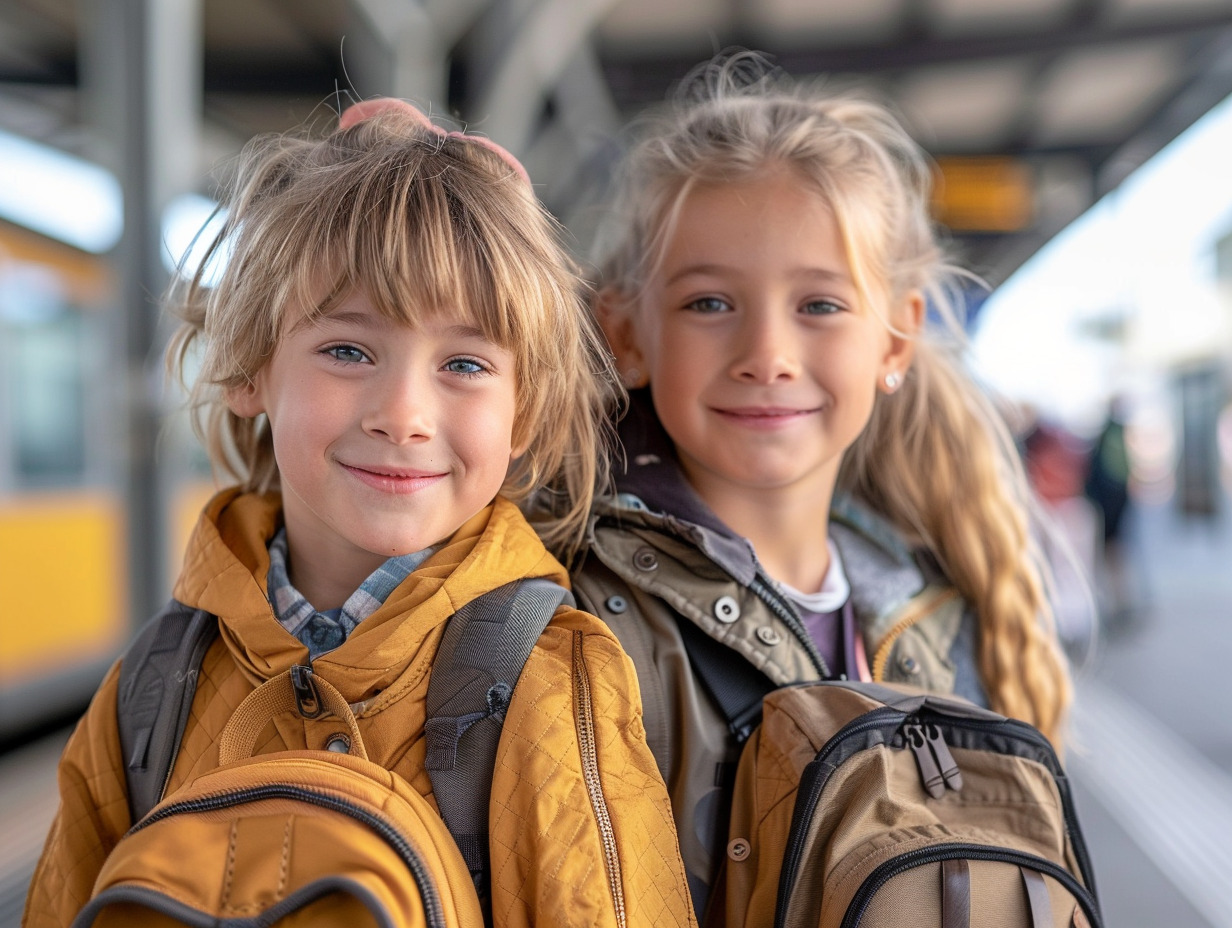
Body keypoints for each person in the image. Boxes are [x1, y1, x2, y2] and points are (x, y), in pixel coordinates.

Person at [24, 98, 695, 928]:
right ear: (250, 367)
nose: (402, 414)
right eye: (348, 350)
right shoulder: (150, 687)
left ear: (525, 412)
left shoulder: (550, 678)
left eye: (463, 363)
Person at [570, 53, 1073, 917]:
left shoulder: (942, 612)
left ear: (895, 341)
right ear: (628, 336)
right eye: (709, 304)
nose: (767, 354)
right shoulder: (572, 611)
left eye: (820, 306)